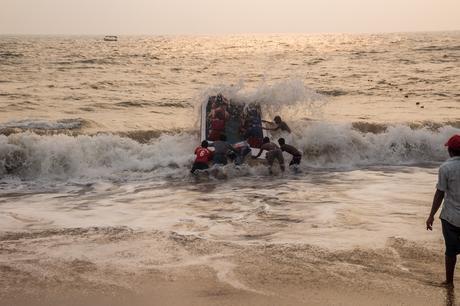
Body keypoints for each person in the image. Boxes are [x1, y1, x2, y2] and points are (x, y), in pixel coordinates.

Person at [426, 134, 460, 287]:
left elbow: (440, 193)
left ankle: (449, 281)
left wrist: (431, 215)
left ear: (450, 151)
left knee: (451, 251)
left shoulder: (445, 168)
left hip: (450, 217)